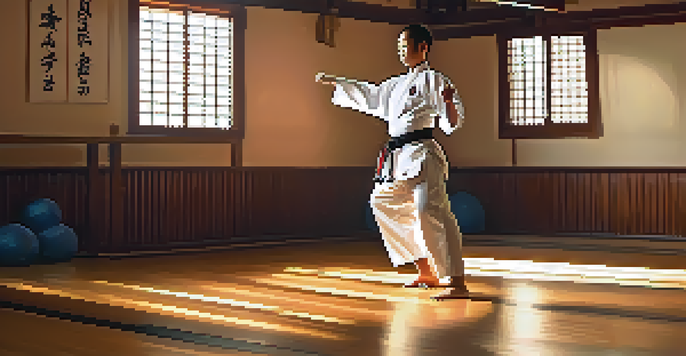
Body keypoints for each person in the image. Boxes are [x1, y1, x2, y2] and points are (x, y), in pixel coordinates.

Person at [316, 24, 468, 299]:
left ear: (423, 47)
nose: (400, 50)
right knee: (382, 201)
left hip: (423, 154)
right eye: (398, 45)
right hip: (399, 157)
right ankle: (425, 269)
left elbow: (451, 123)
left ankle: (455, 280)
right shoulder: (396, 85)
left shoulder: (434, 80)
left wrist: (449, 106)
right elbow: (371, 95)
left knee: (429, 211)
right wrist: (340, 84)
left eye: (405, 44)